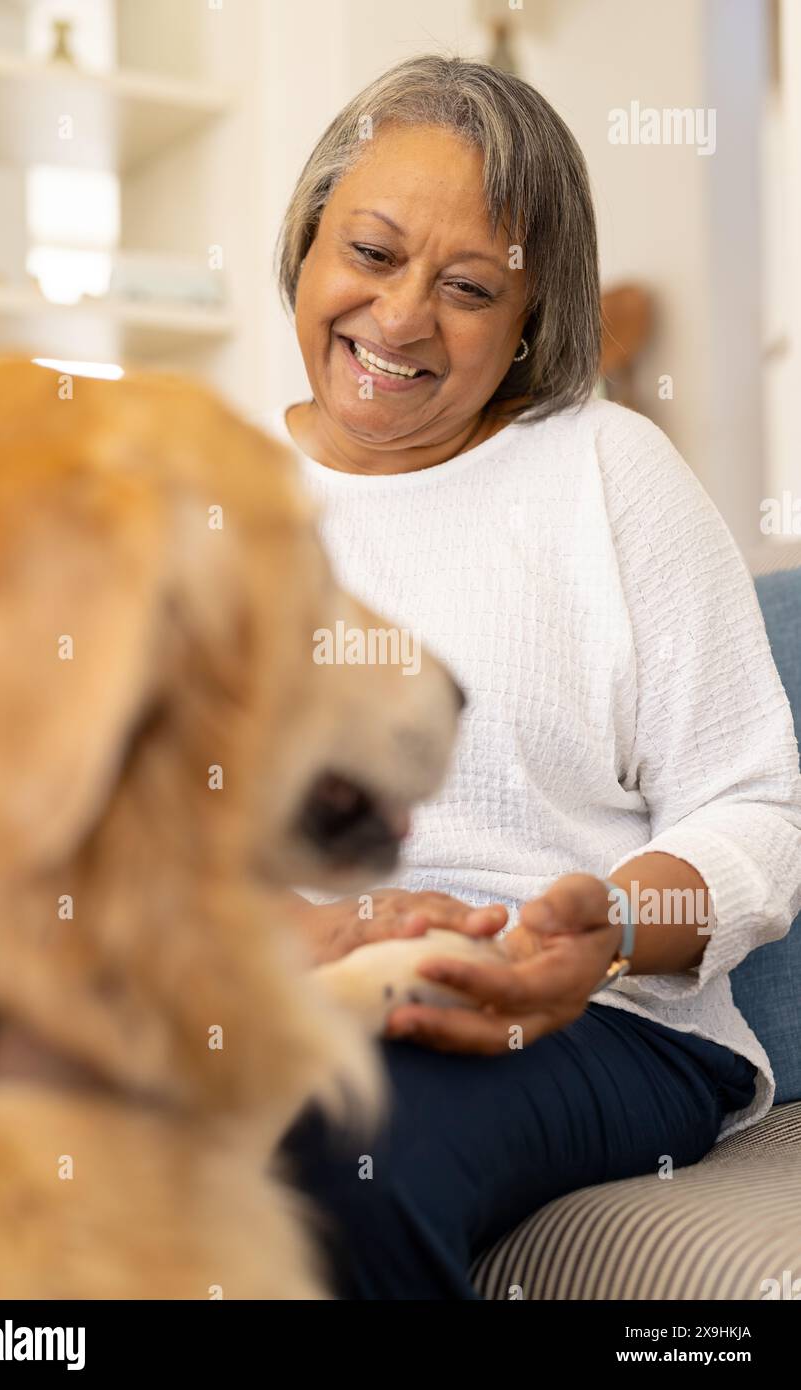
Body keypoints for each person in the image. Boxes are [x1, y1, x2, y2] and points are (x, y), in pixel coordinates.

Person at [263, 54, 801, 1299]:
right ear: (307, 242)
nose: (400, 320)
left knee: (337, 1154)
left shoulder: (610, 473)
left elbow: (757, 815)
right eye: (374, 252)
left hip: (600, 1021)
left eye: (468, 288)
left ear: (530, 321)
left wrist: (606, 931)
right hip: (284, 989)